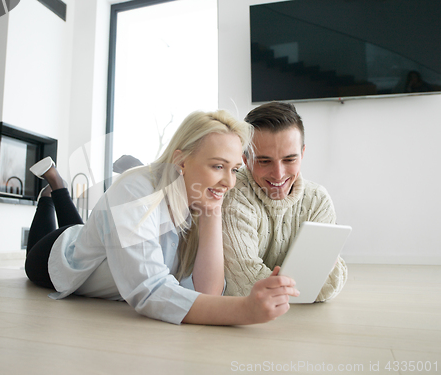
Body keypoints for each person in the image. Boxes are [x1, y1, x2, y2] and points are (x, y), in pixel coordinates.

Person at [25, 110, 300, 325]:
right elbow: (151, 291)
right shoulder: (136, 191)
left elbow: (209, 291)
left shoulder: (199, 198)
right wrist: (244, 309)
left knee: (83, 229)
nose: (229, 181)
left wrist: (212, 211)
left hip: (97, 239)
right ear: (181, 161)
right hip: (55, 256)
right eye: (218, 166)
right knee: (54, 241)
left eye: (234, 170)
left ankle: (57, 189)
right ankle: (51, 194)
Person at [222, 102, 348, 301]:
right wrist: (305, 284)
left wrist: (301, 286)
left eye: (289, 160)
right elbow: (243, 284)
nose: (278, 174)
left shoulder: (317, 200)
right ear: (245, 160)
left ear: (303, 154)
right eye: (264, 161)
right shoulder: (233, 194)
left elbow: (328, 286)